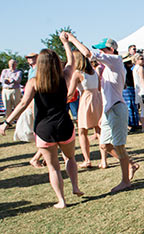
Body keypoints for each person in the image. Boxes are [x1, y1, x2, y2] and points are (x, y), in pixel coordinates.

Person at [0, 32, 84, 208]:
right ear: (55, 63)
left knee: (53, 167)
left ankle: (61, 200)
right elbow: (71, 61)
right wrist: (65, 42)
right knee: (70, 159)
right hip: (64, 125)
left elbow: (23, 104)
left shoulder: (34, 82)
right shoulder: (65, 76)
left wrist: (6, 123)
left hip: (44, 128)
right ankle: (75, 187)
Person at [67, 34, 139, 191]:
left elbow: (87, 54)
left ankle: (125, 181)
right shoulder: (108, 67)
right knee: (105, 145)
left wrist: (71, 39)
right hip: (109, 109)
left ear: (111, 50)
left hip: (117, 108)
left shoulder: (115, 60)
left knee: (119, 146)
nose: (100, 53)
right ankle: (131, 165)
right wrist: (102, 114)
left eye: (103, 50)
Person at [67, 51, 103, 168]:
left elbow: (71, 93)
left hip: (86, 98)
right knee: (99, 130)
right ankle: (104, 160)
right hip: (97, 99)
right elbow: (99, 87)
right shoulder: (94, 72)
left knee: (82, 131)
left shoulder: (77, 73)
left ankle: (87, 159)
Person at [122, 45, 139, 132]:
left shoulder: (131, 67)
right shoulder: (124, 67)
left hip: (132, 87)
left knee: (134, 106)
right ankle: (131, 124)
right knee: (130, 106)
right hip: (127, 87)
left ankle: (135, 123)